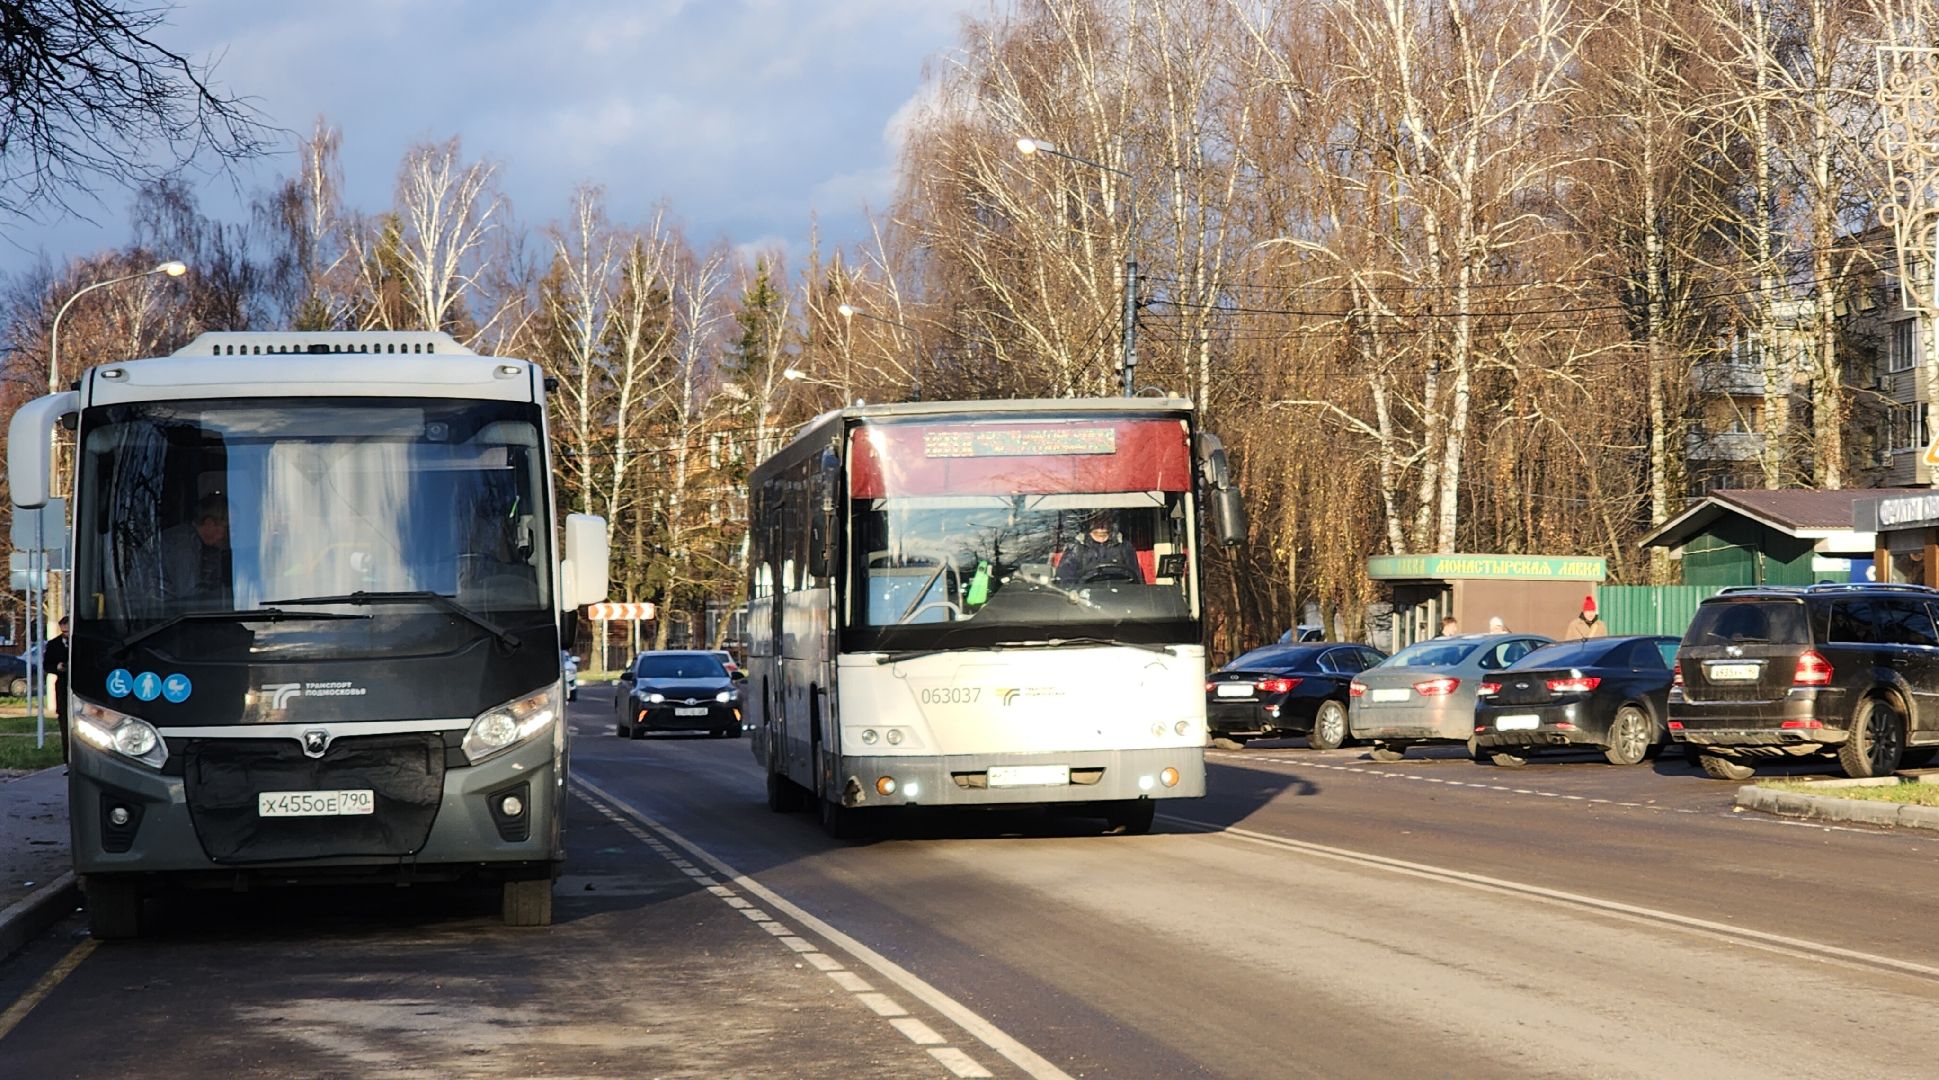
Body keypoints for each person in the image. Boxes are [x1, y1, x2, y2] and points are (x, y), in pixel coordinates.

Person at [160, 494, 233, 605]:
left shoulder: (208, 549)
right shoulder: (181, 544)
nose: (231, 535)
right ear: (209, 523)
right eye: (227, 528)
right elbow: (191, 596)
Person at [1055, 510, 1144, 586]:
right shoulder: (1076, 548)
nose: (1101, 526)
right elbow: (1065, 580)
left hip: (1119, 596)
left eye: (1105, 520)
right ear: (1089, 523)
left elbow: (1136, 578)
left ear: (1111, 523)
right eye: (1096, 521)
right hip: (1085, 597)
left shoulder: (1124, 547)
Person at [42, 616, 69, 763]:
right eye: (63, 631)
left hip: (79, 685)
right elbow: (47, 664)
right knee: (64, 726)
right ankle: (67, 761)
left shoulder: (79, 642)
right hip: (62, 687)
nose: (65, 634)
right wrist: (57, 668)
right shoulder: (54, 644)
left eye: (67, 631)